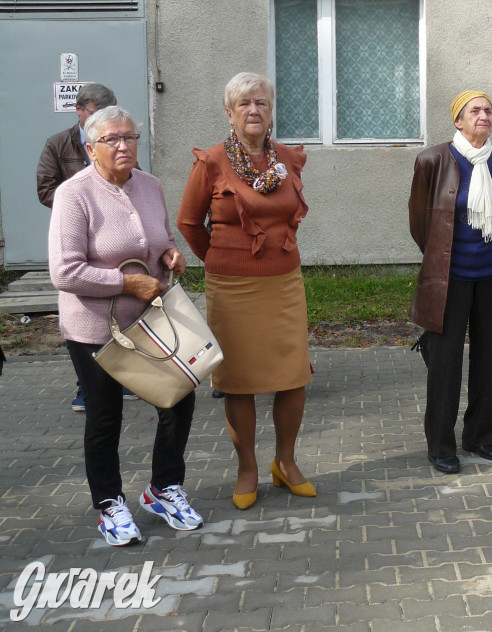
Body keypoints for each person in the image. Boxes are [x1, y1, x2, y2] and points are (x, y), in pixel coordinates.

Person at [49, 105, 201, 546]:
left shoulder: (150, 186)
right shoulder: (74, 195)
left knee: (178, 399)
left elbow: (160, 238)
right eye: (111, 139)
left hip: (151, 323)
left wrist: (170, 254)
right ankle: (109, 502)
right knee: (104, 416)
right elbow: (65, 272)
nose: (122, 146)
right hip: (95, 329)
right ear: (90, 148)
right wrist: (127, 282)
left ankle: (163, 488)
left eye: (129, 137)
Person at [177, 72, 315, 509]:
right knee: (238, 383)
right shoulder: (212, 162)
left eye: (261, 103)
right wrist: (220, 258)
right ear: (229, 112)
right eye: (244, 104)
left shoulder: (288, 160)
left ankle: (286, 463)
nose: (253, 110)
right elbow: (187, 222)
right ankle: (247, 469)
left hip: (284, 284)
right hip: (232, 288)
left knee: (293, 377)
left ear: (271, 111)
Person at [409, 90, 492, 474]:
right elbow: (420, 224)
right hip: (449, 279)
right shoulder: (433, 160)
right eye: (475, 111)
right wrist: (442, 257)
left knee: (489, 359)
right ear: (458, 120)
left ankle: (480, 436)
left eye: (489, 110)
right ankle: (440, 445)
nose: (484, 116)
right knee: (445, 364)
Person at [37, 82, 119, 412]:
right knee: (85, 314)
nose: (107, 121)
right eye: (98, 114)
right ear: (80, 110)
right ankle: (86, 385)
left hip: (113, 242)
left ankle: (122, 377)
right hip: (76, 239)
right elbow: (45, 190)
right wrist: (85, 202)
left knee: (117, 309)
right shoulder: (59, 144)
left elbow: (133, 181)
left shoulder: (116, 142)